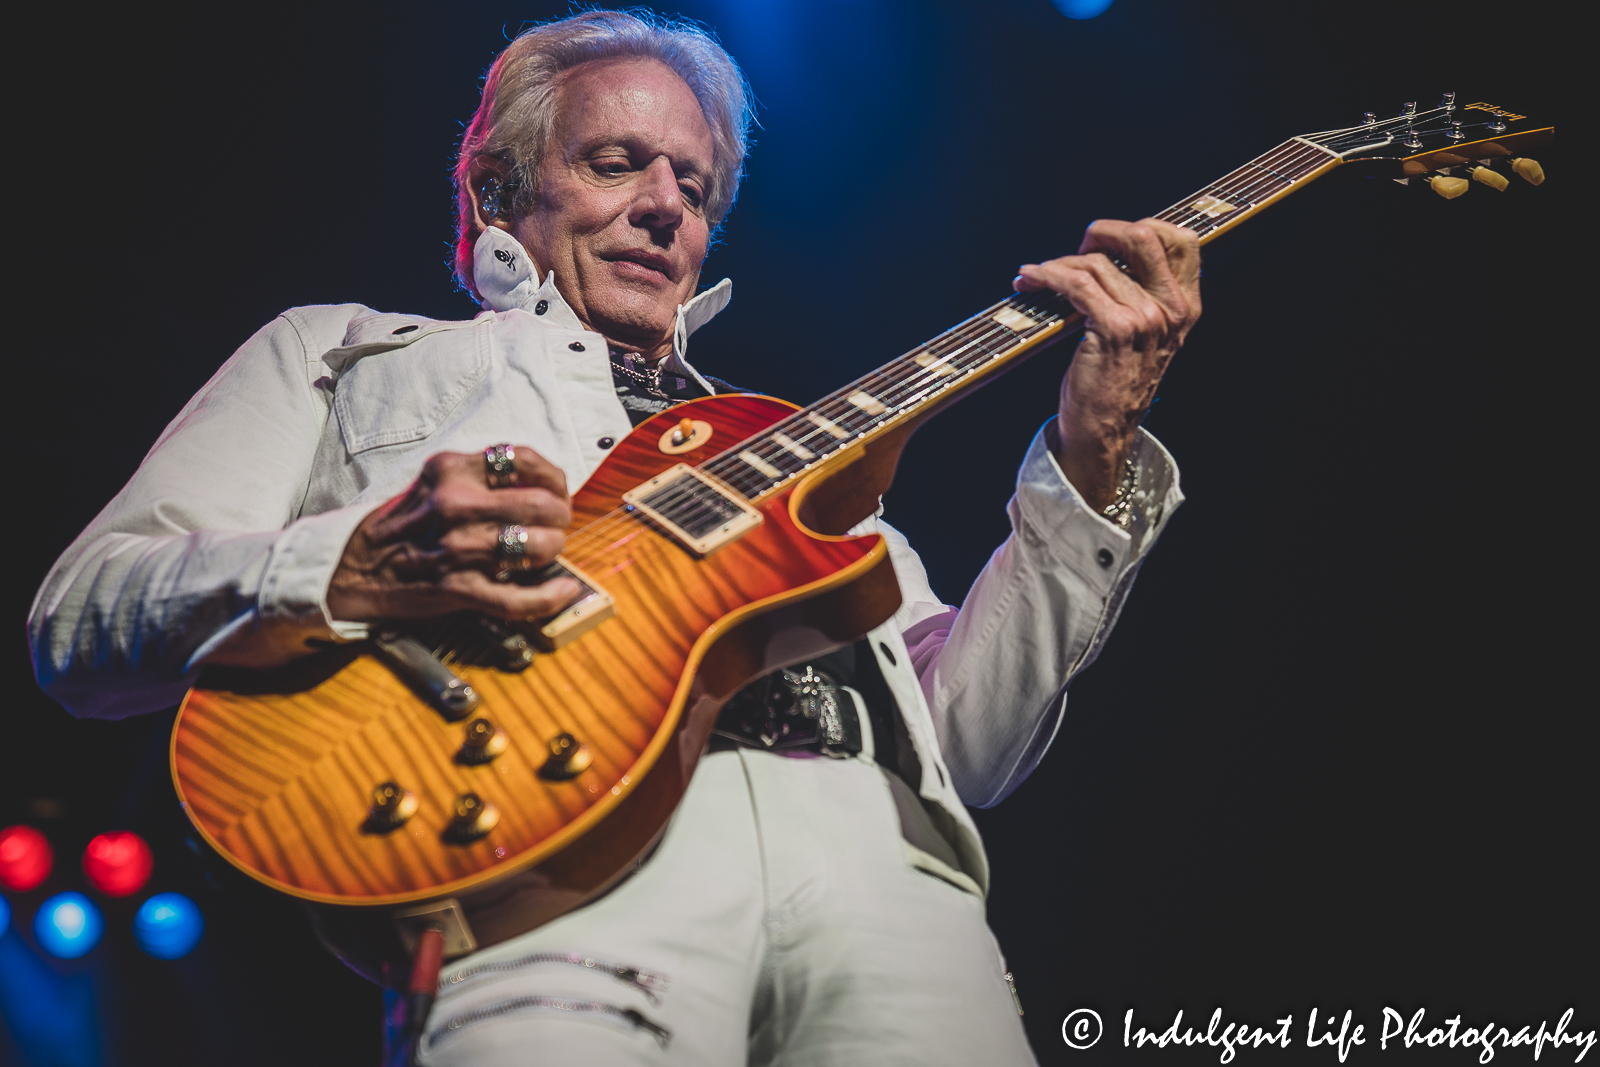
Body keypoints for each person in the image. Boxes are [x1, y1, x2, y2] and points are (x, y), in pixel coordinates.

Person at [28, 9, 1199, 1065]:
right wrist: (358, 561)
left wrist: (1088, 463)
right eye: (614, 163)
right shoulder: (337, 356)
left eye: (693, 186)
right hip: (549, 880)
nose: (663, 207)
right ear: (496, 193)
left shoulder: (775, 443)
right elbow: (82, 615)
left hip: (881, 874)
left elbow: (972, 739)